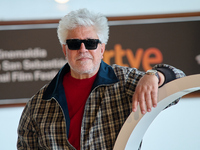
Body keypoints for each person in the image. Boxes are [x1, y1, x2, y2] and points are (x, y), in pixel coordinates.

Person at [17, 8, 185, 150]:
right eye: (74, 44)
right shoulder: (38, 104)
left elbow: (179, 85)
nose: (83, 50)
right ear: (65, 49)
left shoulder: (123, 81)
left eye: (90, 43)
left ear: (102, 48)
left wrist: (154, 75)